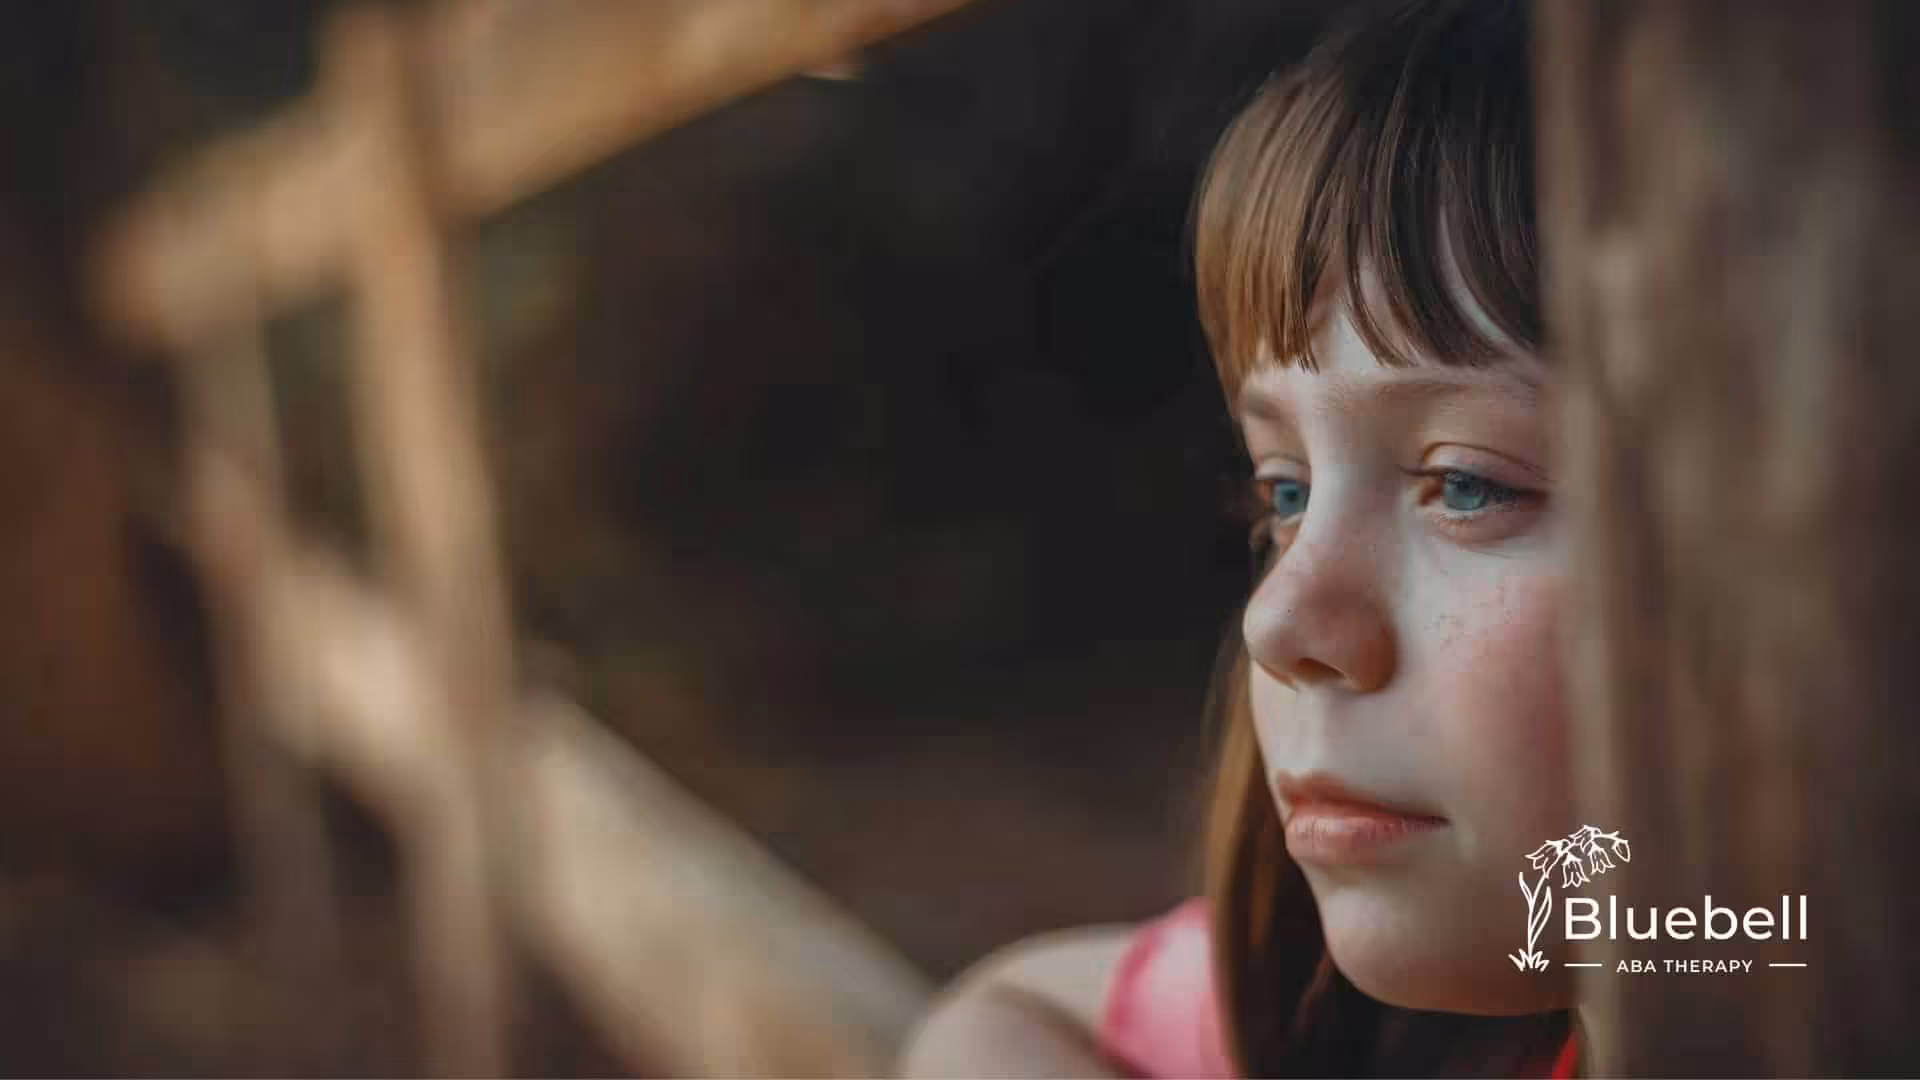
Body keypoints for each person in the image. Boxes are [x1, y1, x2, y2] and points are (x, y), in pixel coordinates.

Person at [899, 1, 1588, 1075]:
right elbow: (1004, 1011)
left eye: (1466, 484)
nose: (1275, 622)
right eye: (1288, 491)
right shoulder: (1372, 1031)